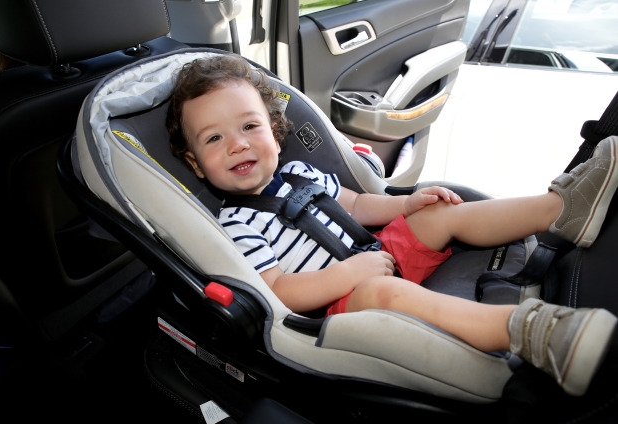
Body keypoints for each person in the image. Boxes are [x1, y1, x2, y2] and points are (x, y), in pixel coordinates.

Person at [166, 54, 618, 397]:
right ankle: (529, 331)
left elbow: (360, 205)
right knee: (383, 292)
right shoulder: (236, 224)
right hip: (341, 303)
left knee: (438, 213)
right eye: (214, 138)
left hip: (375, 254)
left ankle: (562, 210)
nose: (237, 145)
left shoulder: (300, 174)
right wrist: (349, 276)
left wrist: (406, 207)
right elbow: (279, 291)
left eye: (249, 126)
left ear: (275, 132)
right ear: (196, 164)